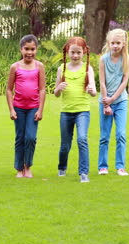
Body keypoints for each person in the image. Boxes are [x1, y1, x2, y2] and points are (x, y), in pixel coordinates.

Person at [54, 37, 96, 183]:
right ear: (67, 51)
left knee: (82, 139)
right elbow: (56, 93)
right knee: (65, 144)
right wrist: (58, 88)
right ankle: (62, 167)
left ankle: (83, 172)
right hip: (66, 112)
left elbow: (94, 92)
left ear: (84, 52)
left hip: (83, 111)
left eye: (78, 52)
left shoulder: (88, 68)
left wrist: (91, 90)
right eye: (73, 52)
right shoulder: (62, 69)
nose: (75, 55)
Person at [5, 35, 46, 178]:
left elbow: (42, 89)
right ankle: (19, 168)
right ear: (21, 49)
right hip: (18, 108)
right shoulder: (15, 67)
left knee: (30, 137)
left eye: (32, 49)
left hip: (33, 107)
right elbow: (9, 89)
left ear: (36, 50)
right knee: (20, 137)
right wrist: (11, 109)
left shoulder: (39, 66)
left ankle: (28, 166)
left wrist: (40, 110)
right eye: (26, 49)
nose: (29, 52)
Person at [98, 29, 129, 177]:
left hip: (121, 101)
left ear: (123, 43)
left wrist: (113, 99)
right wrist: (106, 103)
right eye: (113, 43)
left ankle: (120, 167)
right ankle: (103, 166)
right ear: (108, 43)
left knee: (121, 134)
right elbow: (102, 82)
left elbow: (124, 81)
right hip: (105, 101)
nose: (115, 46)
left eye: (118, 43)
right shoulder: (103, 59)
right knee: (105, 136)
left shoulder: (126, 59)